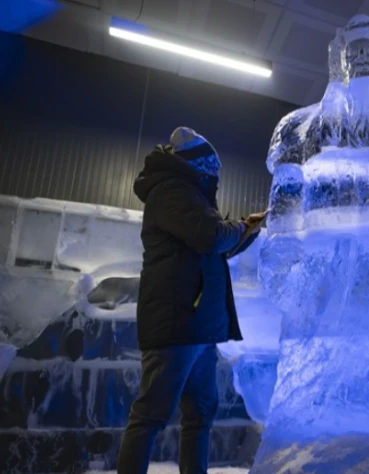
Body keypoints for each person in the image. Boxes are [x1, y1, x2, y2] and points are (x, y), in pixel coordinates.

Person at [119, 127, 267, 474]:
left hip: (197, 325)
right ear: (199, 165)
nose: (216, 175)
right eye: (212, 168)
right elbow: (210, 236)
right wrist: (241, 226)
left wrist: (247, 229)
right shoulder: (172, 191)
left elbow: (215, 246)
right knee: (151, 414)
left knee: (200, 413)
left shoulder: (191, 196)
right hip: (177, 323)